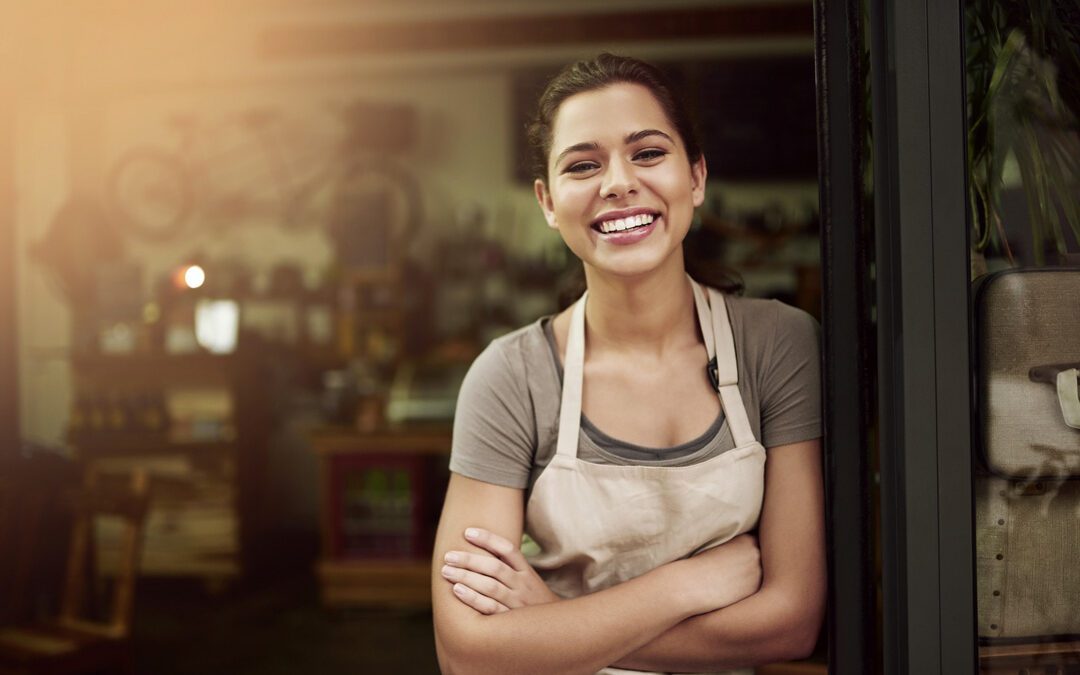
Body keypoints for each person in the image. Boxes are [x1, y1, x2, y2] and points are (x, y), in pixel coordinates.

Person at [431, 53, 825, 675]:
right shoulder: (511, 376)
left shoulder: (777, 346)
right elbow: (467, 654)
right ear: (548, 202)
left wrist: (553, 621)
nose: (617, 182)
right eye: (583, 165)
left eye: (647, 153)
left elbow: (793, 619)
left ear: (695, 177)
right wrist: (685, 587)